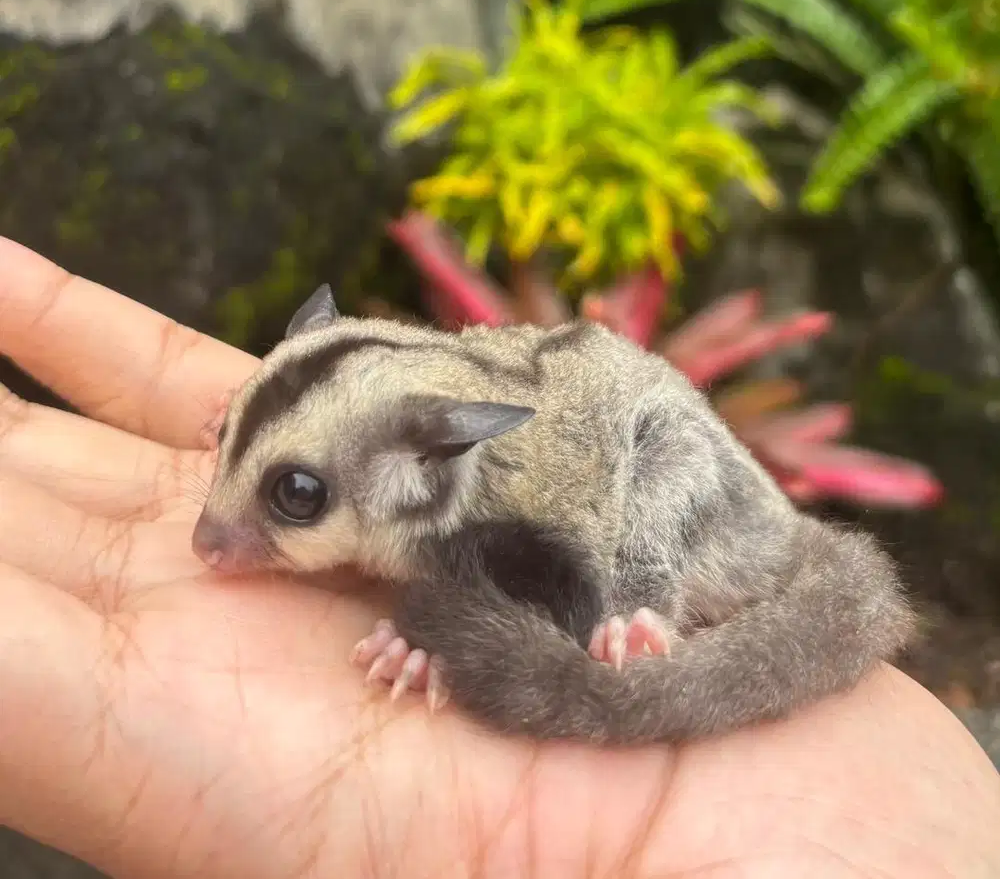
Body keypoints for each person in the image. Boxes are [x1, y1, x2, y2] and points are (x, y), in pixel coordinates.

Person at [0, 235, 997, 879]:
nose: (212, 542)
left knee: (649, 464)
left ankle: (643, 613)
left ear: (423, 466)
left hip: (700, 518)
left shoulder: (498, 504)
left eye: (295, 496)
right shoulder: (413, 472)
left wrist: (451, 636)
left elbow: (552, 573)